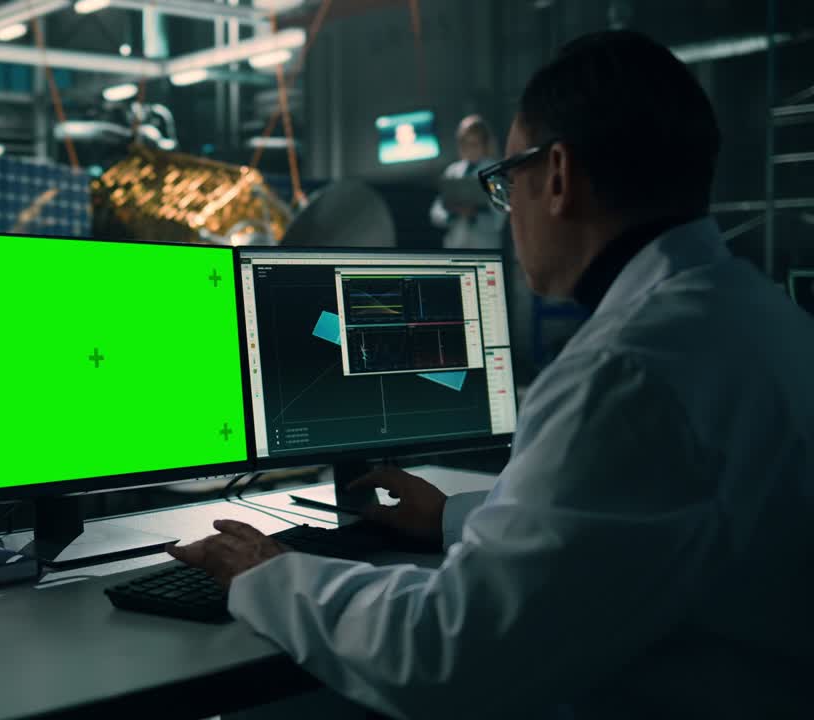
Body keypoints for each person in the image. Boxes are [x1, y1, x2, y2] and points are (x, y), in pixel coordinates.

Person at [169, 30, 813, 719]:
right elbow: (636, 518)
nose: (508, 215)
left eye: (505, 183)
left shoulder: (625, 374)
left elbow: (447, 654)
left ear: (557, 175)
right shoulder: (762, 316)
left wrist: (272, 578)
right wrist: (452, 516)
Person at [429, 114, 506, 250]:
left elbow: (500, 218)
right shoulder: (452, 171)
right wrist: (453, 213)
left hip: (485, 246)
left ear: (485, 144)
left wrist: (475, 213)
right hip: (456, 246)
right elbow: (436, 213)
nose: (470, 149)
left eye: (474, 144)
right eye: (465, 144)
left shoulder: (494, 172)